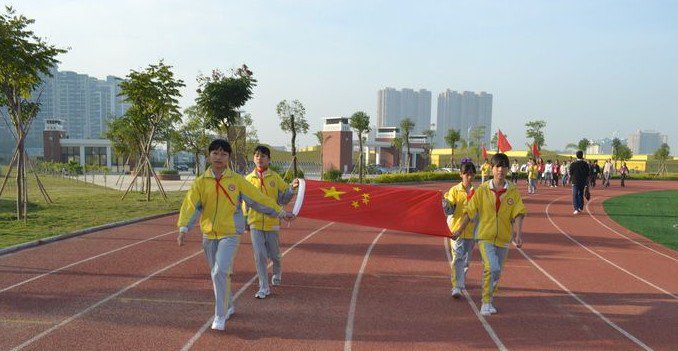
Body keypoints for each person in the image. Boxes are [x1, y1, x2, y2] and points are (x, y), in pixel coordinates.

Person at [177, 139, 295, 331]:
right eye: (215, 153)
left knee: (220, 271)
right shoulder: (200, 182)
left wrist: (280, 212)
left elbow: (258, 199)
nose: (219, 157)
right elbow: (191, 205)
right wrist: (183, 228)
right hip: (208, 235)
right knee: (217, 275)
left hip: (230, 233)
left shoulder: (238, 181)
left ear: (229, 157)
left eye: (223, 154)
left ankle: (220, 316)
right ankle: (229, 305)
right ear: (209, 156)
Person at [451, 153, 526, 316]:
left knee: (497, 272)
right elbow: (469, 212)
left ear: (507, 169)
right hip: (485, 236)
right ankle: (486, 302)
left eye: (503, 166)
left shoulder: (512, 190)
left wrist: (518, 235)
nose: (500, 170)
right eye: (497, 166)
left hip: (504, 238)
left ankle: (489, 299)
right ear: (491, 169)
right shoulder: (483, 190)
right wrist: (458, 230)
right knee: (491, 267)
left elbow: (519, 213)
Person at [245, 145, 299, 299]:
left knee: (274, 255)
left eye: (263, 156)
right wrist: (244, 220)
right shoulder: (248, 180)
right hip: (255, 222)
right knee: (260, 256)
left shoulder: (275, 177)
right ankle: (264, 287)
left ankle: (277, 273)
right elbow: (245, 202)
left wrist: (291, 189)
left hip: (272, 222)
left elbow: (283, 199)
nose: (259, 158)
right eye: (256, 155)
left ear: (269, 159)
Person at [443, 159, 478, 298]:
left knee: (466, 260)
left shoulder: (477, 192)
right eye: (466, 174)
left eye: (471, 174)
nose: (469, 177)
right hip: (456, 230)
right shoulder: (454, 190)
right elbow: (449, 207)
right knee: (458, 257)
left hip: (471, 231)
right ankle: (456, 286)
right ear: (460, 174)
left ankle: (460, 279)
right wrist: (445, 203)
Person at [569, 150, 591, 215]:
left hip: (575, 181)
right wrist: (587, 183)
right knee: (580, 194)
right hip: (582, 181)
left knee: (575, 195)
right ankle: (580, 207)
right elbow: (587, 174)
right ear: (582, 155)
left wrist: (570, 179)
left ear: (576, 156)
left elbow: (570, 173)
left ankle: (576, 208)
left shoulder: (573, 164)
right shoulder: (585, 164)